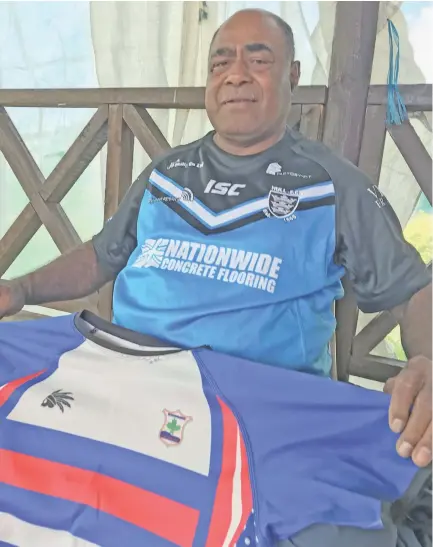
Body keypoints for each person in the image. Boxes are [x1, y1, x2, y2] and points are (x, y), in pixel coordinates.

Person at [0, 9, 431, 474]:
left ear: (293, 75)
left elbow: (413, 292)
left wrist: (427, 359)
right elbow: (101, 255)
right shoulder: (166, 172)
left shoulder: (333, 184)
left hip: (255, 413)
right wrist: (19, 290)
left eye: (258, 60)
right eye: (220, 63)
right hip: (126, 380)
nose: (235, 75)